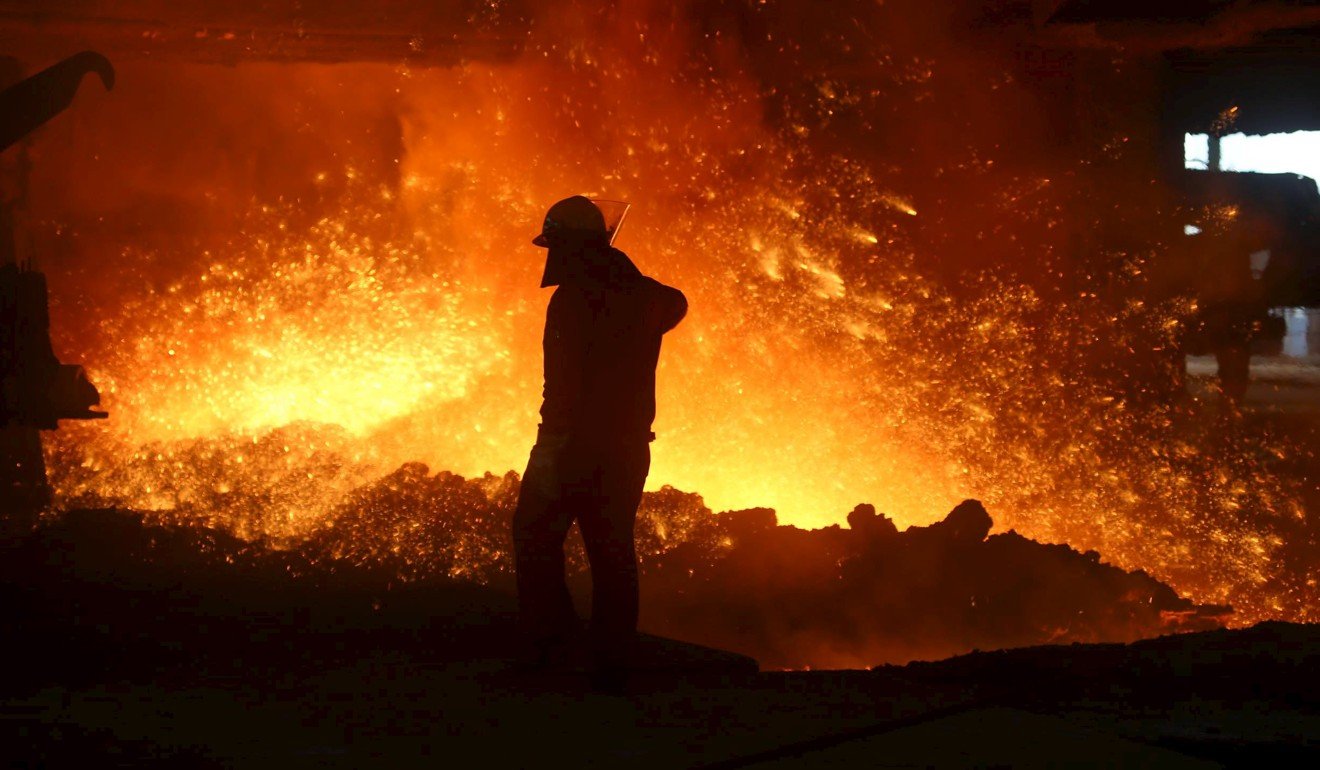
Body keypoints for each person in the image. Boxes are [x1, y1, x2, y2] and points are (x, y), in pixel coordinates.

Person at [512, 195, 686, 689]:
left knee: (534, 535)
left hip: (572, 445)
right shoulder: (643, 295)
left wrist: (549, 451)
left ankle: (551, 645)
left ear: (568, 245)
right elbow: (676, 303)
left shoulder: (570, 300)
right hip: (628, 447)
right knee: (611, 548)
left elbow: (560, 386)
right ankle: (612, 658)